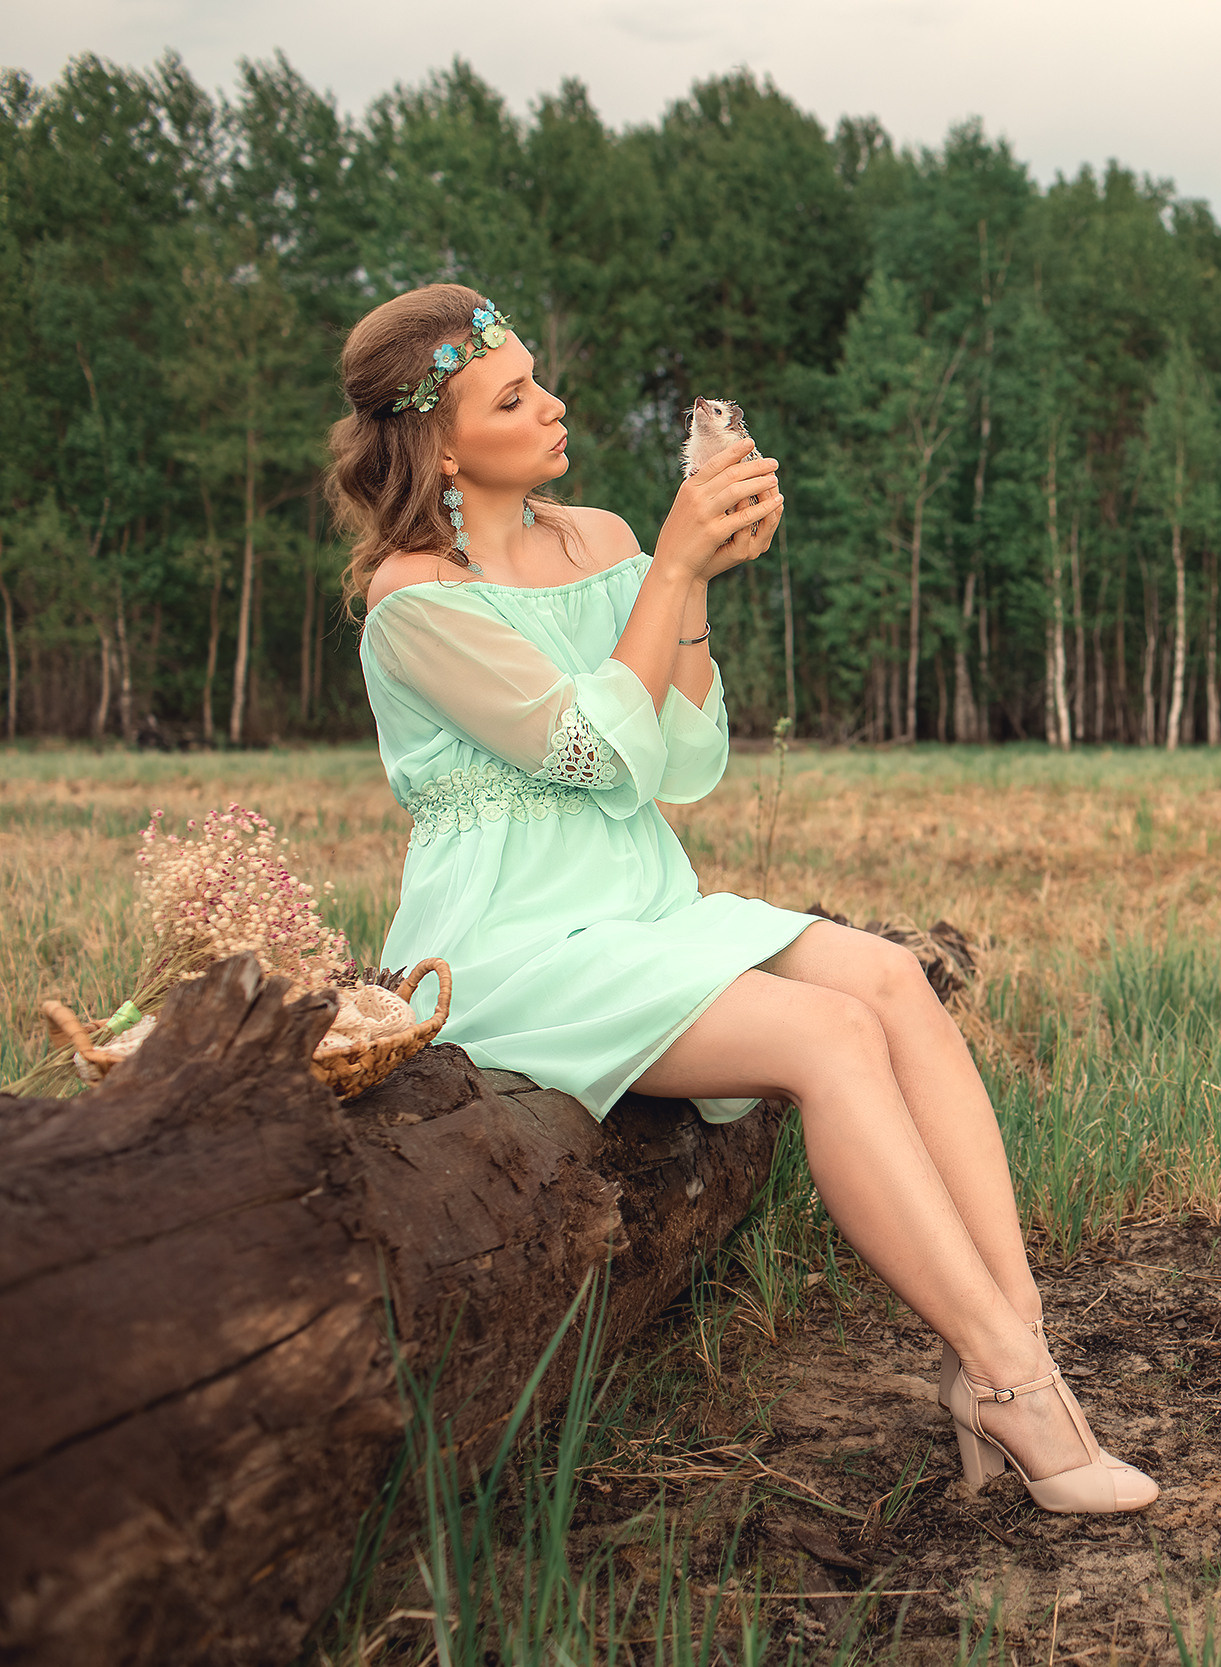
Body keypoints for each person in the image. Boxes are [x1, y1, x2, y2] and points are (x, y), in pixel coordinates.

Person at [326, 283, 1153, 1514]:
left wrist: (692, 580)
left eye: (539, 376)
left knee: (885, 977)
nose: (552, 404)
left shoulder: (599, 538)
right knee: (829, 1037)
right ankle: (1013, 1381)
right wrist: (674, 561)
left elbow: (681, 766)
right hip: (505, 943)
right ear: (441, 444)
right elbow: (593, 755)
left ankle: (1013, 1340)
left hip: (641, 901)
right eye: (512, 397)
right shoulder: (414, 603)